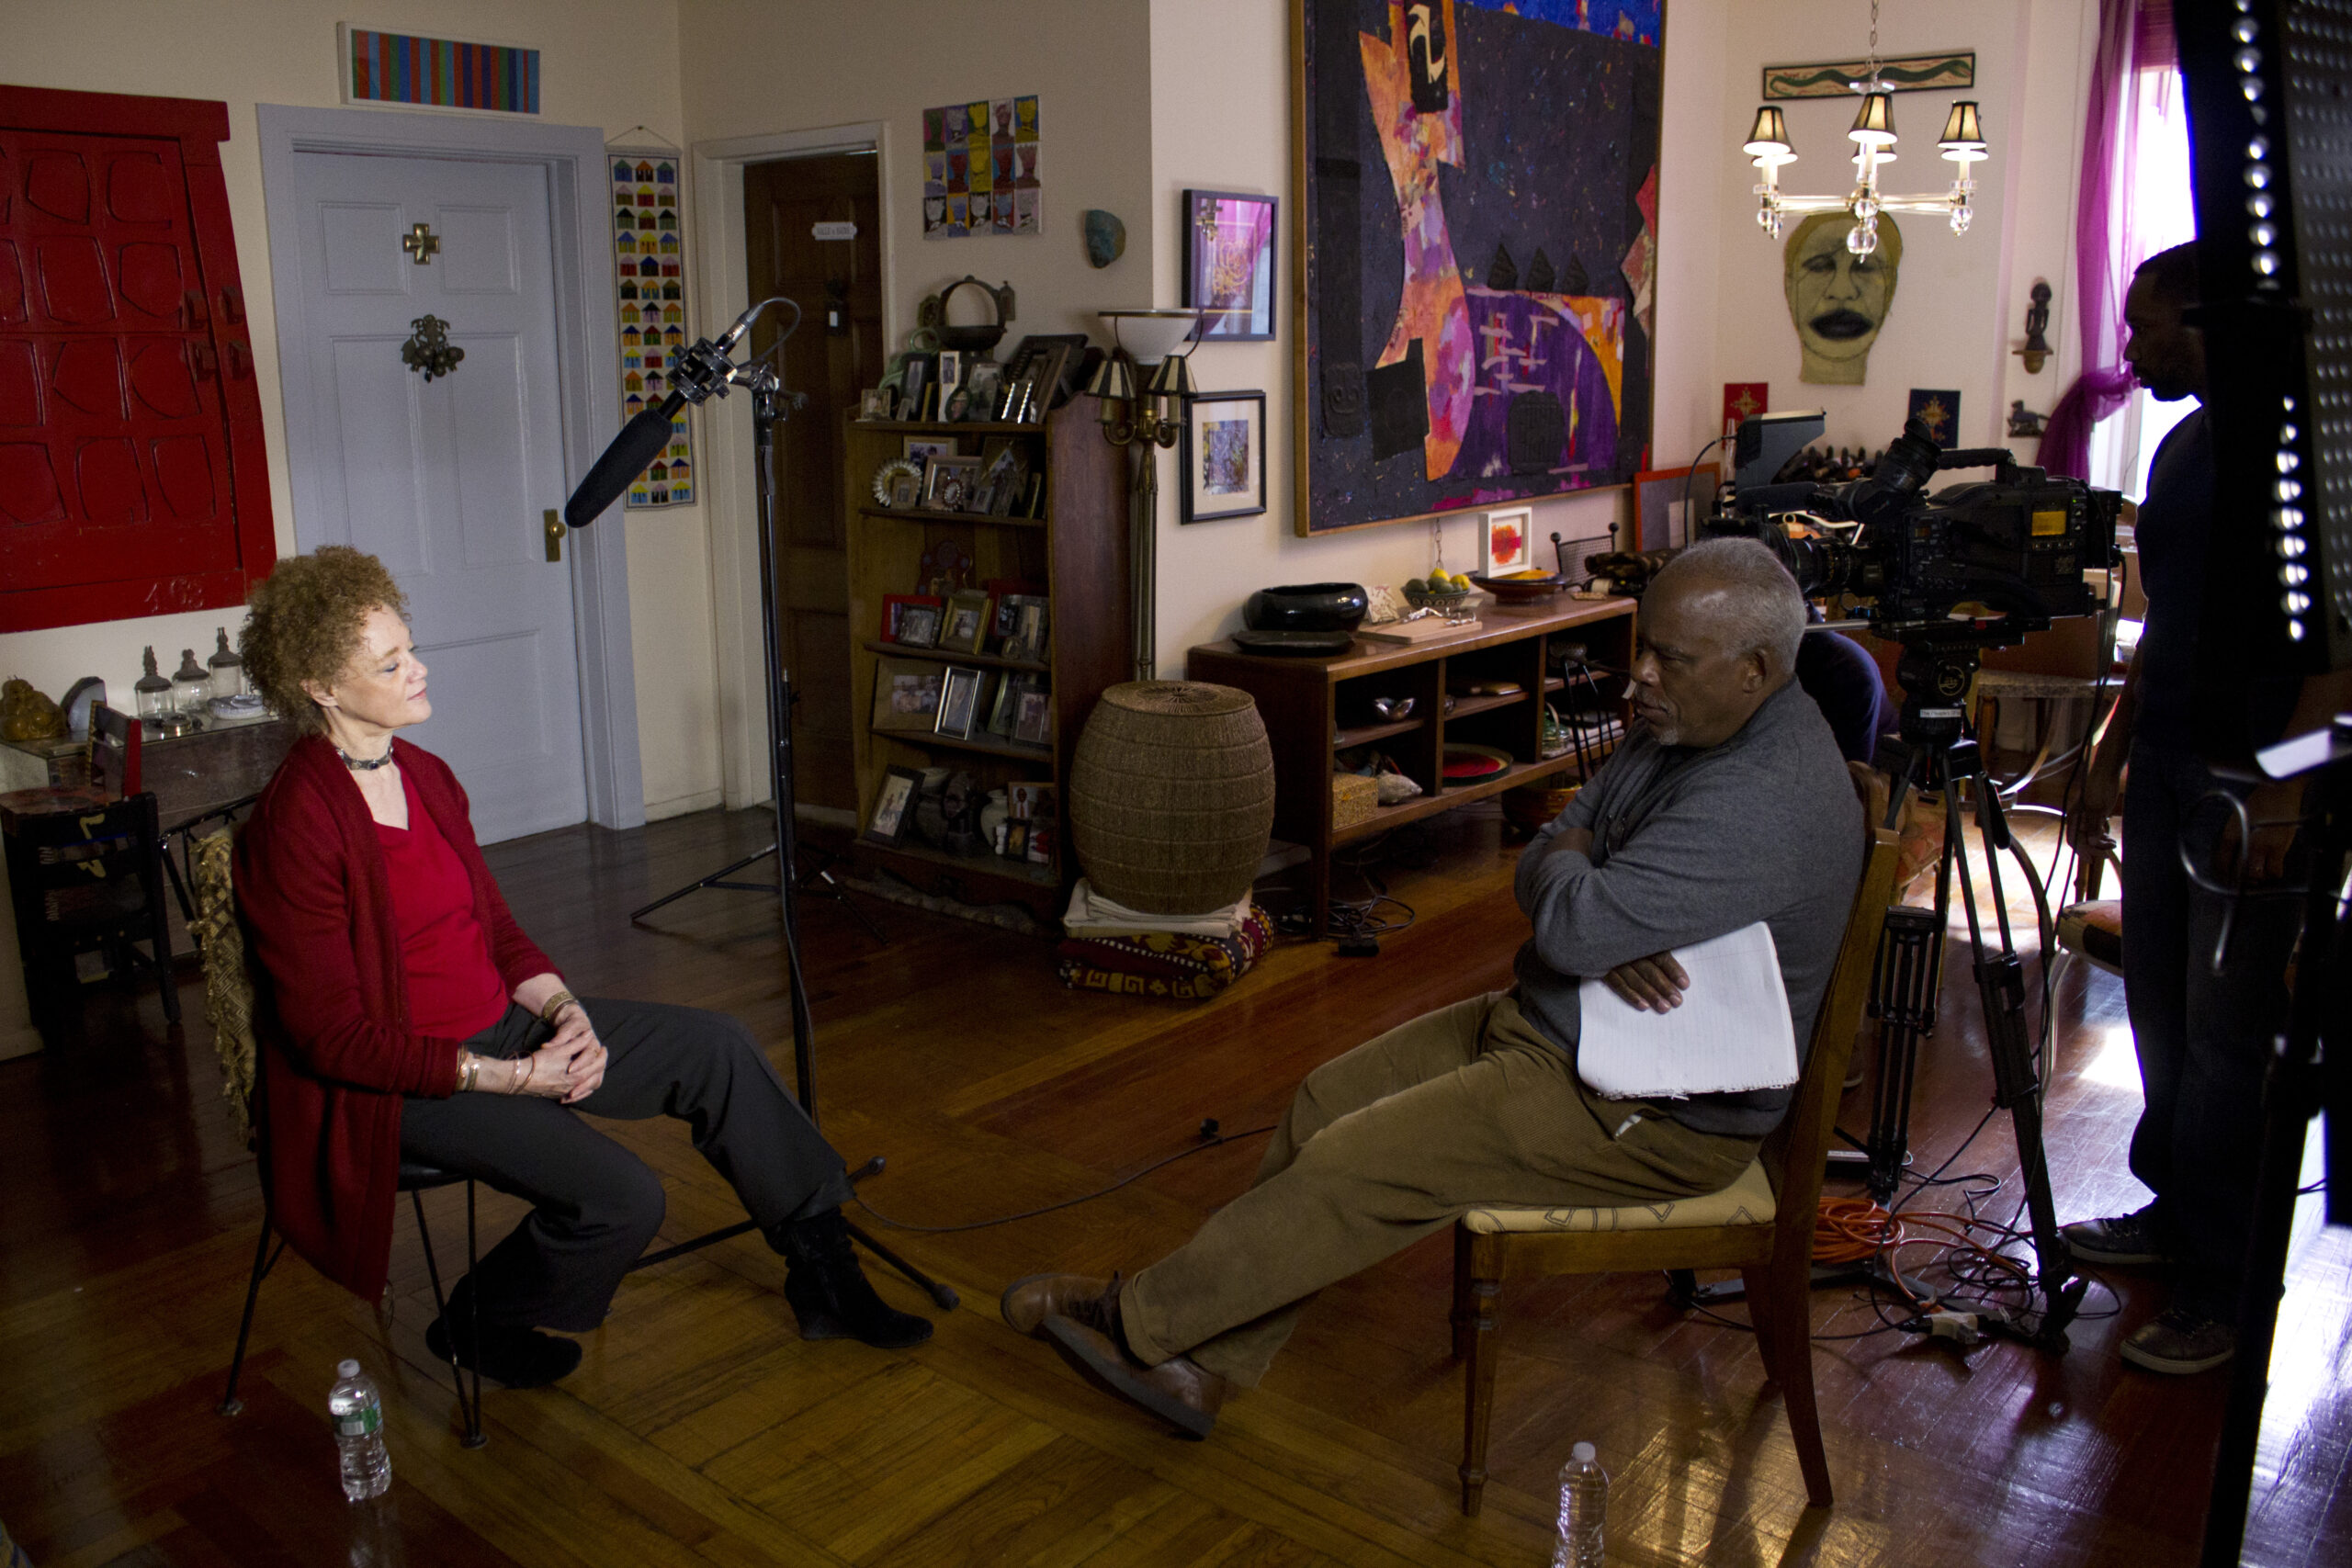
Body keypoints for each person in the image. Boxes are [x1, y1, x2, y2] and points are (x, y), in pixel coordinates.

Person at [1000, 540, 1864, 1436]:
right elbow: (1555, 839)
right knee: (1321, 1102)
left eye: (1669, 659)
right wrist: (1595, 903)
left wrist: (1592, 908)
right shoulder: (1688, 720)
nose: (1640, 672)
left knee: (1354, 1163)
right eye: (1644, 645)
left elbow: (1572, 921)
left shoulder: (1762, 798)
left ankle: (1140, 1326)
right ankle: (1202, 1364)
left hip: (1649, 1108)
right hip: (1567, 1025)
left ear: (1755, 670)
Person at [234, 546, 929, 1387]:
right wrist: (517, 1077)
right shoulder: (297, 822)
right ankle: (477, 1320)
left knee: (718, 1048)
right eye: (390, 663)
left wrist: (566, 1012)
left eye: (411, 647)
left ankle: (824, 1274)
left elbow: (495, 929)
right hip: (407, 1082)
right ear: (319, 685)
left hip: (503, 1027)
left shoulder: (426, 776)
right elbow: (333, 1038)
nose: (419, 670)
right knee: (626, 1197)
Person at [2061, 243, 2348, 1374]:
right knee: (2161, 1016)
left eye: (2147, 325)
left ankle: (2229, 1288)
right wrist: (2108, 748)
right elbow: (2165, 626)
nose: (2130, 348)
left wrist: (2290, 788)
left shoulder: (2307, 453)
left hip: (2251, 786)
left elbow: (2341, 652)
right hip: (2170, 764)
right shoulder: (2184, 446)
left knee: (2230, 1040)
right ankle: (2173, 1215)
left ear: (2210, 320)